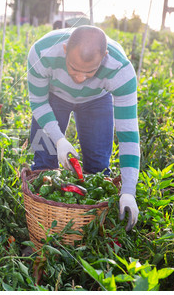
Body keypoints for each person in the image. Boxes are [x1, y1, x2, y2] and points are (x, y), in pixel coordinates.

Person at [27, 25, 140, 231]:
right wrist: (59, 140)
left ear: (104, 57)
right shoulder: (42, 52)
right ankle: (42, 226)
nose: (79, 78)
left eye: (89, 71)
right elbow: (38, 101)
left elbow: (129, 135)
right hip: (54, 95)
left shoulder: (120, 71)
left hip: (96, 100)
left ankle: (85, 227)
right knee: (43, 161)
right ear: (64, 50)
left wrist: (129, 191)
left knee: (97, 168)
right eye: (73, 68)